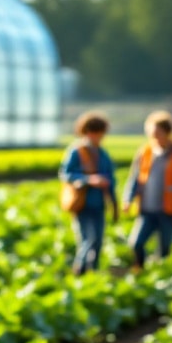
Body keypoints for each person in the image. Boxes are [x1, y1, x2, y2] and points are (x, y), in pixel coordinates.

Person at [121, 110, 172, 269]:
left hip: (168, 210)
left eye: (157, 133)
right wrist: (128, 199)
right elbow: (135, 178)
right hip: (147, 209)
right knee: (136, 243)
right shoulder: (145, 152)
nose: (154, 137)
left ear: (167, 133)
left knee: (164, 249)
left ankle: (161, 276)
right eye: (151, 134)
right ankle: (140, 268)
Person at [58, 111, 116, 275]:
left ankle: (93, 271)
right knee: (86, 240)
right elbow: (66, 174)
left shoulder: (103, 154)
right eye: (94, 132)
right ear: (86, 132)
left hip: (98, 204)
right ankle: (80, 271)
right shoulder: (77, 152)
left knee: (97, 241)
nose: (97, 137)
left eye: (100, 133)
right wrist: (88, 179)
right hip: (82, 204)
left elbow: (111, 179)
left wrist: (114, 203)